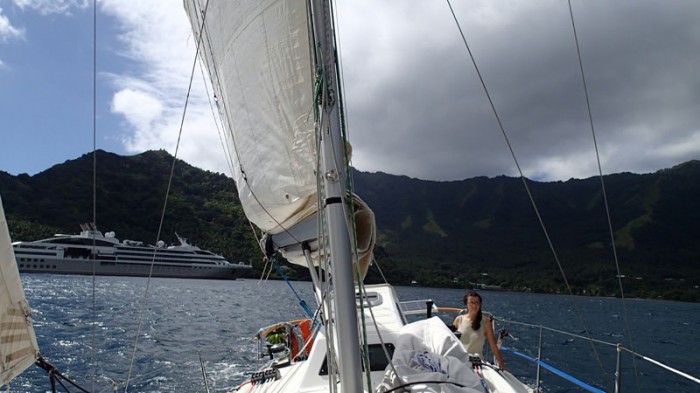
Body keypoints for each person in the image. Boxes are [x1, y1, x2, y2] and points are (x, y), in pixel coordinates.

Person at [453, 291, 507, 370]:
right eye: (471, 302)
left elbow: (493, 346)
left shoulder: (486, 322)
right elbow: (452, 342)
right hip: (460, 361)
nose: (475, 305)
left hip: (476, 364)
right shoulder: (459, 320)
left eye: (477, 303)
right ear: (466, 304)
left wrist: (503, 366)